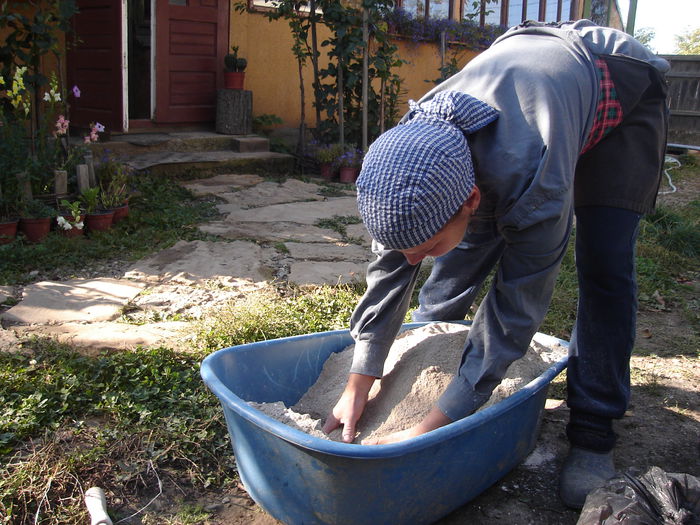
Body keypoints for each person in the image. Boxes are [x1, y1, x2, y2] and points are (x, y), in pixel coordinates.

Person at [321, 19, 669, 509]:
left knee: (605, 266)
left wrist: (427, 430)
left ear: (471, 197)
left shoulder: (533, 184)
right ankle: (426, 368)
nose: (412, 260)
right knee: (451, 262)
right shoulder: (406, 159)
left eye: (424, 243)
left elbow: (515, 307)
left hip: (615, 86)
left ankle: (593, 430)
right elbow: (391, 267)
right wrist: (362, 377)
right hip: (520, 92)